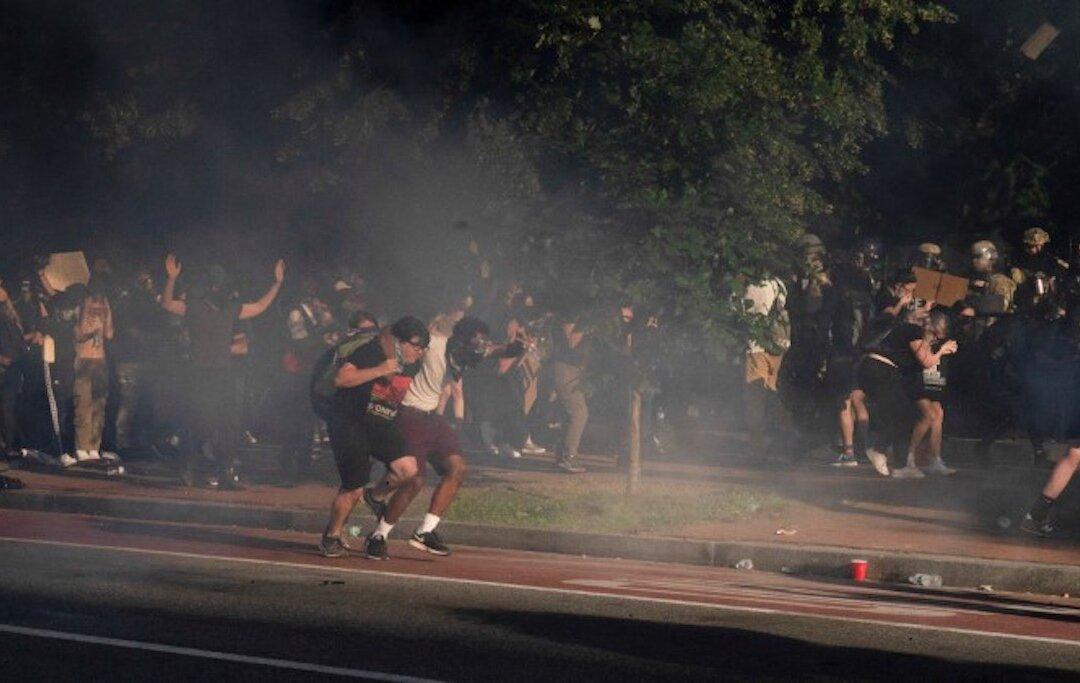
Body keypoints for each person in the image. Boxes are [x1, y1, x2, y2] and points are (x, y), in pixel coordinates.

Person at [363, 317, 503, 557]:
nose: (479, 348)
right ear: (461, 340)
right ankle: (379, 534)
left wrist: (518, 346)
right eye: (476, 341)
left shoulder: (465, 355)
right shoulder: (436, 344)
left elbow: (499, 351)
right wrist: (390, 357)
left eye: (483, 342)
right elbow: (390, 331)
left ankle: (425, 532)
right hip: (409, 414)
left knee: (457, 468)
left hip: (432, 418)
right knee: (415, 479)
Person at [161, 254, 284, 489]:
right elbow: (167, 304)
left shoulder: (231, 308)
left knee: (228, 424)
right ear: (211, 288)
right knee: (199, 422)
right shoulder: (194, 306)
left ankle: (224, 473)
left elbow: (260, 306)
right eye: (219, 286)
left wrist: (276, 284)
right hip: (199, 374)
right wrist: (171, 279)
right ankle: (188, 468)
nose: (223, 290)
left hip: (224, 374)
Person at [317, 316, 429, 560]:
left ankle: (376, 495)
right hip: (350, 423)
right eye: (416, 346)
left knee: (407, 469)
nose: (419, 353)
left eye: (423, 348)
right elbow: (341, 379)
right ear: (401, 342)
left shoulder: (412, 363)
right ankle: (331, 537)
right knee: (353, 488)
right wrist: (380, 369)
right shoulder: (371, 351)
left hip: (382, 423)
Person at [905, 309, 957, 476]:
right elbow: (925, 361)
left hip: (932, 385)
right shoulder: (918, 338)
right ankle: (908, 456)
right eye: (935, 334)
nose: (936, 338)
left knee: (938, 413)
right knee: (929, 414)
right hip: (915, 383)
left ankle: (934, 458)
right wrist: (941, 350)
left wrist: (945, 347)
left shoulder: (938, 341)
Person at [70, 288, 115, 464]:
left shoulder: (103, 315)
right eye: (93, 307)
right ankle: (82, 446)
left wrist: (108, 312)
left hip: (100, 363)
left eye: (100, 307)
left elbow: (110, 334)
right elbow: (79, 334)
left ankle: (94, 447)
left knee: (98, 407)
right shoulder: (80, 315)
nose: (97, 310)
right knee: (83, 406)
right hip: (84, 361)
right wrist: (86, 311)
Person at [550, 311, 590, 473]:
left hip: (573, 369)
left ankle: (562, 456)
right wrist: (588, 327)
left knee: (570, 414)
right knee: (579, 413)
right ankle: (569, 457)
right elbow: (571, 342)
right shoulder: (573, 313)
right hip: (566, 369)